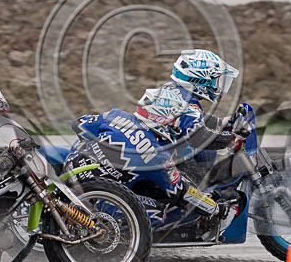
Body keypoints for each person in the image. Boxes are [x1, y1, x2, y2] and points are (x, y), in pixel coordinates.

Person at [65, 90, 230, 226]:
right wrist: (215, 208)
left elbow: (79, 124)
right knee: (158, 211)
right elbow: (182, 192)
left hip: (71, 170)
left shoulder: (116, 115)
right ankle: (117, 242)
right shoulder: (156, 155)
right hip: (98, 197)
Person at [151, 49, 241, 184]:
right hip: (165, 158)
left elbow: (187, 119)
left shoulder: (172, 89)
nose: (216, 86)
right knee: (206, 184)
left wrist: (222, 122)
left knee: (207, 155)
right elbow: (199, 137)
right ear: (199, 78)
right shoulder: (187, 101)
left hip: (159, 149)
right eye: (214, 80)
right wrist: (233, 138)